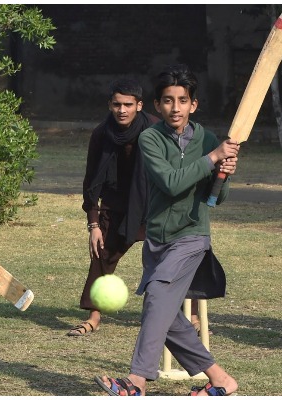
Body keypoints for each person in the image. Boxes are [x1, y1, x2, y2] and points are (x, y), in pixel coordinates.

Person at [94, 64, 240, 396]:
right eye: (168, 101)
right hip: (158, 237)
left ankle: (136, 383)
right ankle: (221, 380)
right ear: (158, 106)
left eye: (182, 100)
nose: (176, 108)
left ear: (194, 104)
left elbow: (216, 198)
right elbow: (171, 184)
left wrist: (224, 173)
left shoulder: (208, 139)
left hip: (191, 235)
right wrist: (212, 159)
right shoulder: (150, 138)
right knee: (166, 314)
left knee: (158, 295)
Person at [68, 78, 159, 336]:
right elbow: (91, 180)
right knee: (102, 254)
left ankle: (192, 315)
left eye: (128, 105)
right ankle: (94, 316)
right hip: (116, 202)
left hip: (153, 203)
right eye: (117, 104)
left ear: (139, 105)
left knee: (174, 257)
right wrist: (94, 224)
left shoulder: (155, 129)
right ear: (110, 105)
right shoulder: (101, 134)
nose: (122, 110)